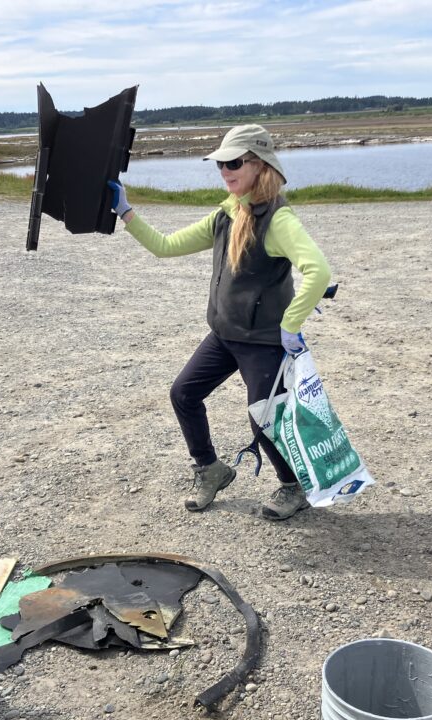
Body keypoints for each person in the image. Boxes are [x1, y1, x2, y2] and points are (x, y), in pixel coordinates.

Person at [107, 124, 332, 521]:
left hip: (263, 341)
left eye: (233, 163)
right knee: (184, 393)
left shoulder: (278, 220)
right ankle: (210, 469)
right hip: (225, 334)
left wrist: (290, 325)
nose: (225, 171)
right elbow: (165, 246)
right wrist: (126, 212)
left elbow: (318, 271)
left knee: (264, 416)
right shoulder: (227, 215)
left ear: (259, 164)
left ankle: (292, 486)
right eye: (220, 164)